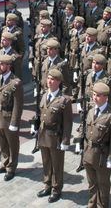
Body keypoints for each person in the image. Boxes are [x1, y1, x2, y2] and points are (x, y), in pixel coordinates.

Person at [80, 81, 111, 208]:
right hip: (88, 152)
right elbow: (85, 129)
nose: (94, 97)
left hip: (102, 156)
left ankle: (102, 205)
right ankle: (92, 204)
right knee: (92, 183)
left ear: (106, 97)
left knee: (103, 184)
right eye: (93, 94)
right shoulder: (91, 110)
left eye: (98, 95)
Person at [36, 69, 73, 203]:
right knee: (46, 162)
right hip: (43, 134)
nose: (49, 81)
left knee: (57, 164)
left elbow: (68, 123)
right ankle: (47, 185)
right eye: (48, 78)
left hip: (55, 136)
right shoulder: (45, 95)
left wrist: (65, 141)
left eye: (52, 79)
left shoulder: (64, 101)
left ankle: (56, 188)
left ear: (59, 82)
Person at [0, 54, 24, 181]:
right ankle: (4, 163)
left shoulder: (15, 83)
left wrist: (14, 122)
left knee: (12, 144)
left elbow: (18, 105)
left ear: (9, 66)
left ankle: (11, 167)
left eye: (2, 64)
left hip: (9, 117)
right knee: (2, 143)